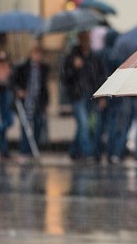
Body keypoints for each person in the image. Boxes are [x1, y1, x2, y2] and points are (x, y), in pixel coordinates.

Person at [60, 30, 107, 162]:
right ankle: (88, 153)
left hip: (90, 95)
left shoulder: (94, 57)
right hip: (77, 95)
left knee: (87, 125)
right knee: (84, 124)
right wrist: (74, 67)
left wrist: (101, 96)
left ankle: (74, 151)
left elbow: (99, 76)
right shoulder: (72, 57)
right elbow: (65, 77)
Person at [12, 43, 50, 159]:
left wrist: (45, 102)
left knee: (38, 123)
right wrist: (19, 90)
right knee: (26, 126)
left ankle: (33, 149)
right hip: (26, 101)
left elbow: (44, 86)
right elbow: (13, 81)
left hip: (38, 100)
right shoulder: (23, 66)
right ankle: (24, 151)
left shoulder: (44, 68)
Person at [0, 48, 14, 161]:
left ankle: (4, 150)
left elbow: (10, 77)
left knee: (7, 120)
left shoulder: (6, 66)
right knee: (7, 120)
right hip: (0, 92)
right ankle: (4, 150)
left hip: (5, 92)